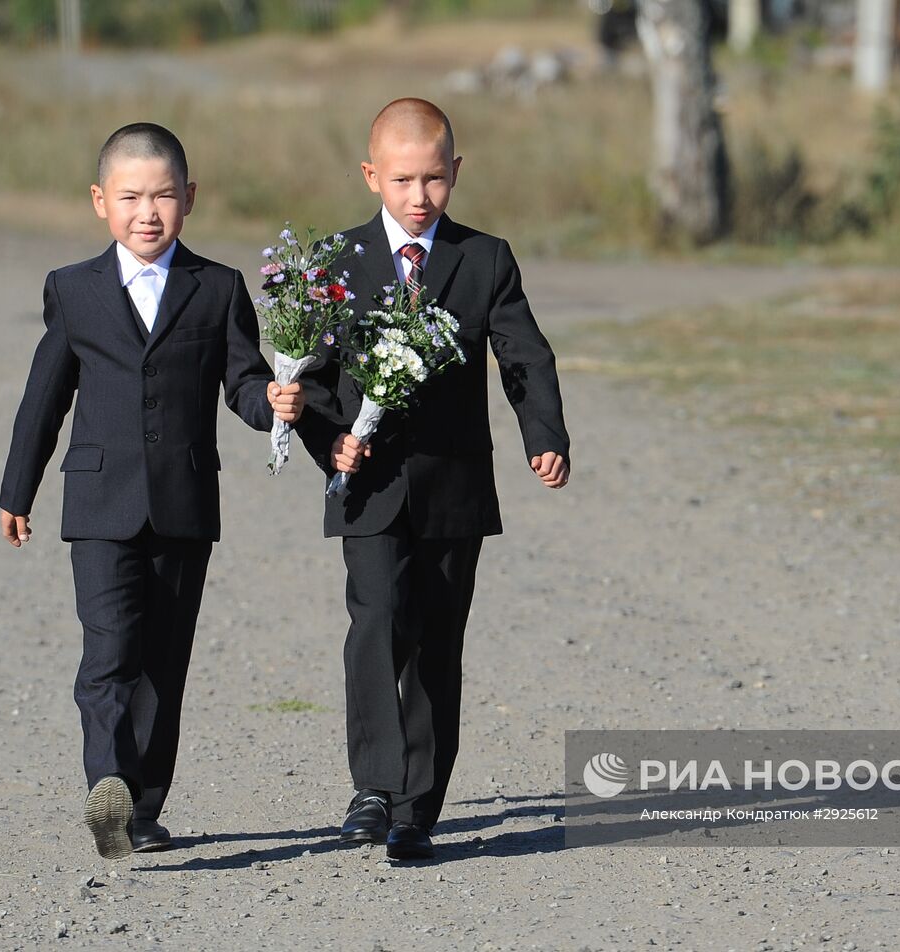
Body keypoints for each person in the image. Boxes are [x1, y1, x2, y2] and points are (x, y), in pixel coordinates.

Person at [0, 122, 304, 860]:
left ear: (189, 198)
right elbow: (46, 397)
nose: (148, 211)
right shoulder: (73, 290)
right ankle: (108, 784)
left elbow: (243, 382)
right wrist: (18, 491)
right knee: (108, 654)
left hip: (183, 504)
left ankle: (140, 810)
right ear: (101, 201)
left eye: (164, 195)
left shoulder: (218, 288)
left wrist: (276, 404)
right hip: (98, 503)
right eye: (131, 196)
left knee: (163, 663)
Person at [297, 98, 570, 860]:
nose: (420, 198)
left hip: (454, 489)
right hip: (368, 489)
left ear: (457, 171)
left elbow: (525, 356)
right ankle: (374, 788)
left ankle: (418, 809)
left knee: (437, 643)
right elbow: (311, 376)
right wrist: (329, 441)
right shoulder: (337, 261)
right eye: (403, 180)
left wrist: (542, 436)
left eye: (435, 180)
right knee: (378, 622)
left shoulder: (484, 259)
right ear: (371, 175)